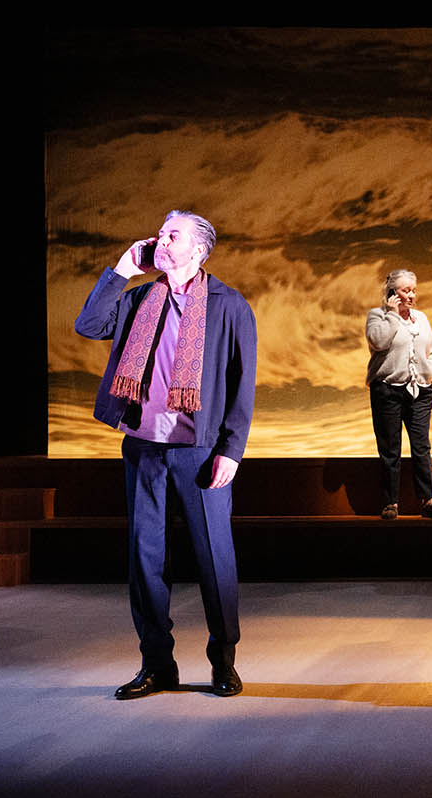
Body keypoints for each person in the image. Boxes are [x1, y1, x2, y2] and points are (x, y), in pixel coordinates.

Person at [75, 210, 257, 699]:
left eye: (172, 234)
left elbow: (243, 382)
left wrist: (231, 450)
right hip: (144, 447)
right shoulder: (139, 298)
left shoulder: (228, 304)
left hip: (200, 451)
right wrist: (121, 270)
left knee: (214, 558)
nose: (160, 239)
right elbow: (89, 325)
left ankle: (224, 661)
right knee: (145, 559)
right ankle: (157, 665)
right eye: (160, 232)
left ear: (198, 250)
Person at [365, 269, 432, 520]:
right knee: (390, 449)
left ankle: (428, 500)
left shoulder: (421, 318)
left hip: (420, 391)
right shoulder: (378, 316)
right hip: (388, 390)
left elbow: (431, 350)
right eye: (405, 290)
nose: (411, 295)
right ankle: (390, 503)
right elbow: (378, 342)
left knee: (421, 446)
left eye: (414, 290)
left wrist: (430, 372)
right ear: (392, 292)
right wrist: (392, 315)